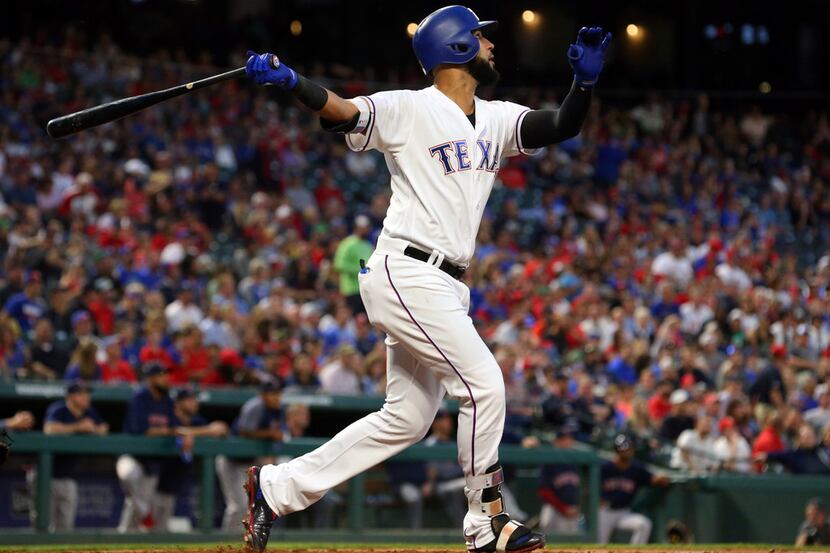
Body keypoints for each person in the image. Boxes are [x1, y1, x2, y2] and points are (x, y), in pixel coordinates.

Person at [243, 5, 611, 551]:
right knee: (484, 385)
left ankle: (278, 487)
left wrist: (582, 83)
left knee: (408, 419)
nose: (492, 44)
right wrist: (294, 81)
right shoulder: (410, 108)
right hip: (407, 270)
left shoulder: (494, 116)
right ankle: (486, 521)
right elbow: (344, 111)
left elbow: (560, 124)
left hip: (444, 284)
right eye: (482, 37)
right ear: (456, 46)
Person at [154, 388, 229, 531]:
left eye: (195, 400)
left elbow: (220, 431)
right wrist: (207, 430)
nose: (194, 403)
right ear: (178, 403)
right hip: (153, 479)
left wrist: (220, 430)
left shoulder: (197, 421)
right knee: (139, 527)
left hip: (174, 483)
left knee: (159, 531)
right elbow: (175, 430)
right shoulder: (168, 417)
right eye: (189, 400)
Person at [39, 381, 108, 530]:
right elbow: (49, 429)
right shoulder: (59, 409)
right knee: (43, 526)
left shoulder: (89, 412)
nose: (86, 397)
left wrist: (93, 429)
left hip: (68, 477)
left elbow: (104, 428)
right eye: (81, 394)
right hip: (45, 476)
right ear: (70, 397)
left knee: (65, 529)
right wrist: (78, 427)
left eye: (87, 393)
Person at [216, 380, 283, 532]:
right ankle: (224, 541)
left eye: (278, 393)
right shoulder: (256, 406)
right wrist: (269, 434)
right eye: (272, 394)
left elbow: (277, 434)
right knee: (237, 505)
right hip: (230, 460)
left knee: (251, 506)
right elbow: (243, 431)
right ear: (263, 395)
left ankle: (240, 542)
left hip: (249, 461)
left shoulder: (276, 409)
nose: (276, 397)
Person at [116, 362, 175, 532]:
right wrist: (164, 431)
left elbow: (172, 428)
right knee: (128, 476)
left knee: (136, 507)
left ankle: (126, 537)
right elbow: (141, 430)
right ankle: (144, 512)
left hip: (153, 461)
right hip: (132, 455)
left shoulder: (167, 400)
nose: (166, 379)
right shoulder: (139, 398)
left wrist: (167, 432)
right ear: (151, 379)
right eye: (162, 376)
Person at [598, 434, 669, 544]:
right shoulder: (605, 468)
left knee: (644, 525)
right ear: (617, 450)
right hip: (606, 512)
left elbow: (653, 479)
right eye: (623, 449)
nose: (626, 452)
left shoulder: (636, 469)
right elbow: (592, 486)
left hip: (624, 512)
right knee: (599, 545)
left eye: (628, 449)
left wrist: (661, 477)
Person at [537, 421, 582, 534]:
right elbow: (544, 491)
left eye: (569, 439)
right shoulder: (549, 461)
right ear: (556, 441)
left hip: (571, 510)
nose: (567, 442)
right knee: (547, 543)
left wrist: (575, 506)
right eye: (563, 439)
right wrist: (562, 508)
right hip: (553, 509)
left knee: (572, 545)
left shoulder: (574, 462)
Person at [333, 214, 374, 315]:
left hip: (366, 288)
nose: (365, 230)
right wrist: (360, 270)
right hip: (351, 289)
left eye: (367, 227)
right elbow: (339, 264)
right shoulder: (347, 244)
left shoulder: (368, 245)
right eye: (363, 228)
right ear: (357, 228)